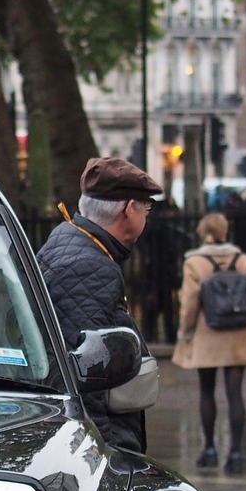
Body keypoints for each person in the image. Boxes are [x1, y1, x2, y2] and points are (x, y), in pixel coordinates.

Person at [37, 156, 162, 454]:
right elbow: (90, 374)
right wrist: (106, 454)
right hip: (101, 440)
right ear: (129, 209)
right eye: (146, 207)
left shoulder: (70, 239)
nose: (146, 214)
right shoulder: (88, 265)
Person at [172, 212, 246, 475]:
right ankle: (235, 453)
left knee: (206, 391)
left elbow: (189, 302)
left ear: (203, 232)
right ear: (225, 231)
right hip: (239, 332)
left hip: (207, 332)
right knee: (235, 393)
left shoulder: (194, 262)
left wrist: (185, 332)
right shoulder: (243, 260)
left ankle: (210, 449)